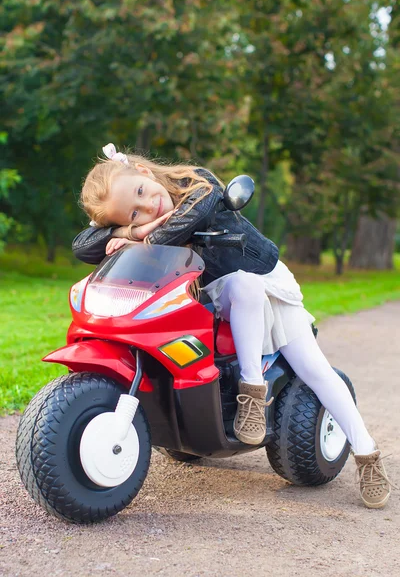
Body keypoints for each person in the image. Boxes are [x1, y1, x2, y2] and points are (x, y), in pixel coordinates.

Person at [73, 143, 392, 509]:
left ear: (144, 174)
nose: (147, 207)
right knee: (187, 328)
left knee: (314, 368)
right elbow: (83, 245)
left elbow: (181, 224)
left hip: (266, 281)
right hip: (212, 291)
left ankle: (362, 451)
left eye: (142, 193)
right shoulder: (143, 216)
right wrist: (127, 232)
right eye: (133, 212)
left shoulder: (198, 184)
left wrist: (135, 232)